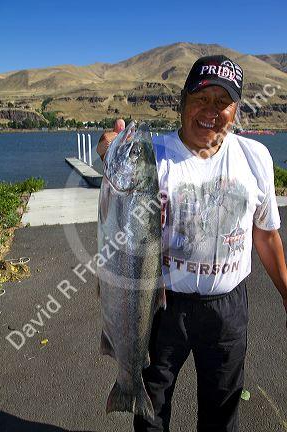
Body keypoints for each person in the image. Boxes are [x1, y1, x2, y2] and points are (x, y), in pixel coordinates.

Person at [97, 55, 287, 432]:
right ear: (183, 101)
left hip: (227, 309)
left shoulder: (256, 158)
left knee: (222, 408)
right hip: (161, 306)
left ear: (236, 110)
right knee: (152, 406)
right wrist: (108, 150)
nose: (210, 111)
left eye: (223, 102)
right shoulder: (157, 157)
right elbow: (117, 183)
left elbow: (265, 234)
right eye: (201, 98)